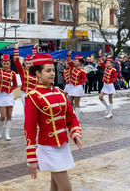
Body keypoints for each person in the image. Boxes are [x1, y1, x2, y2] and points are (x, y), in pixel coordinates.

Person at [24, 53, 82, 190]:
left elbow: (70, 116)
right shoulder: (33, 97)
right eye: (48, 71)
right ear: (38, 73)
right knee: (66, 188)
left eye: (53, 70)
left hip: (62, 145)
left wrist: (75, 133)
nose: (52, 74)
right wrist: (31, 157)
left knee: (55, 187)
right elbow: (29, 128)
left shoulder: (60, 92)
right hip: (48, 147)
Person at [0, 52, 17, 140]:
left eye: (7, 64)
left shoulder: (12, 73)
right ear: (2, 63)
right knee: (3, 115)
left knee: (9, 115)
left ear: (9, 64)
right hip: (1, 95)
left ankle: (7, 133)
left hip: (9, 95)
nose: (6, 65)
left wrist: (9, 89)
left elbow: (15, 84)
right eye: (4, 64)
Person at [65, 51, 87, 118]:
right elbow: (69, 62)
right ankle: (71, 115)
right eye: (75, 61)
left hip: (77, 87)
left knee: (76, 103)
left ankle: (77, 116)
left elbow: (85, 80)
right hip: (71, 87)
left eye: (76, 61)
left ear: (80, 63)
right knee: (69, 102)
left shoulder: (81, 71)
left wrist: (79, 83)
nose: (75, 62)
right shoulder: (73, 67)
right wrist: (68, 55)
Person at [98, 52, 118, 118]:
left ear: (111, 64)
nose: (107, 64)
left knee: (110, 99)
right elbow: (101, 62)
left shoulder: (113, 70)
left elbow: (115, 78)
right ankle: (107, 107)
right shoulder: (105, 68)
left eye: (108, 63)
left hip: (110, 85)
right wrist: (100, 54)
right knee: (100, 97)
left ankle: (110, 113)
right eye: (106, 63)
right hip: (105, 85)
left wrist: (112, 79)